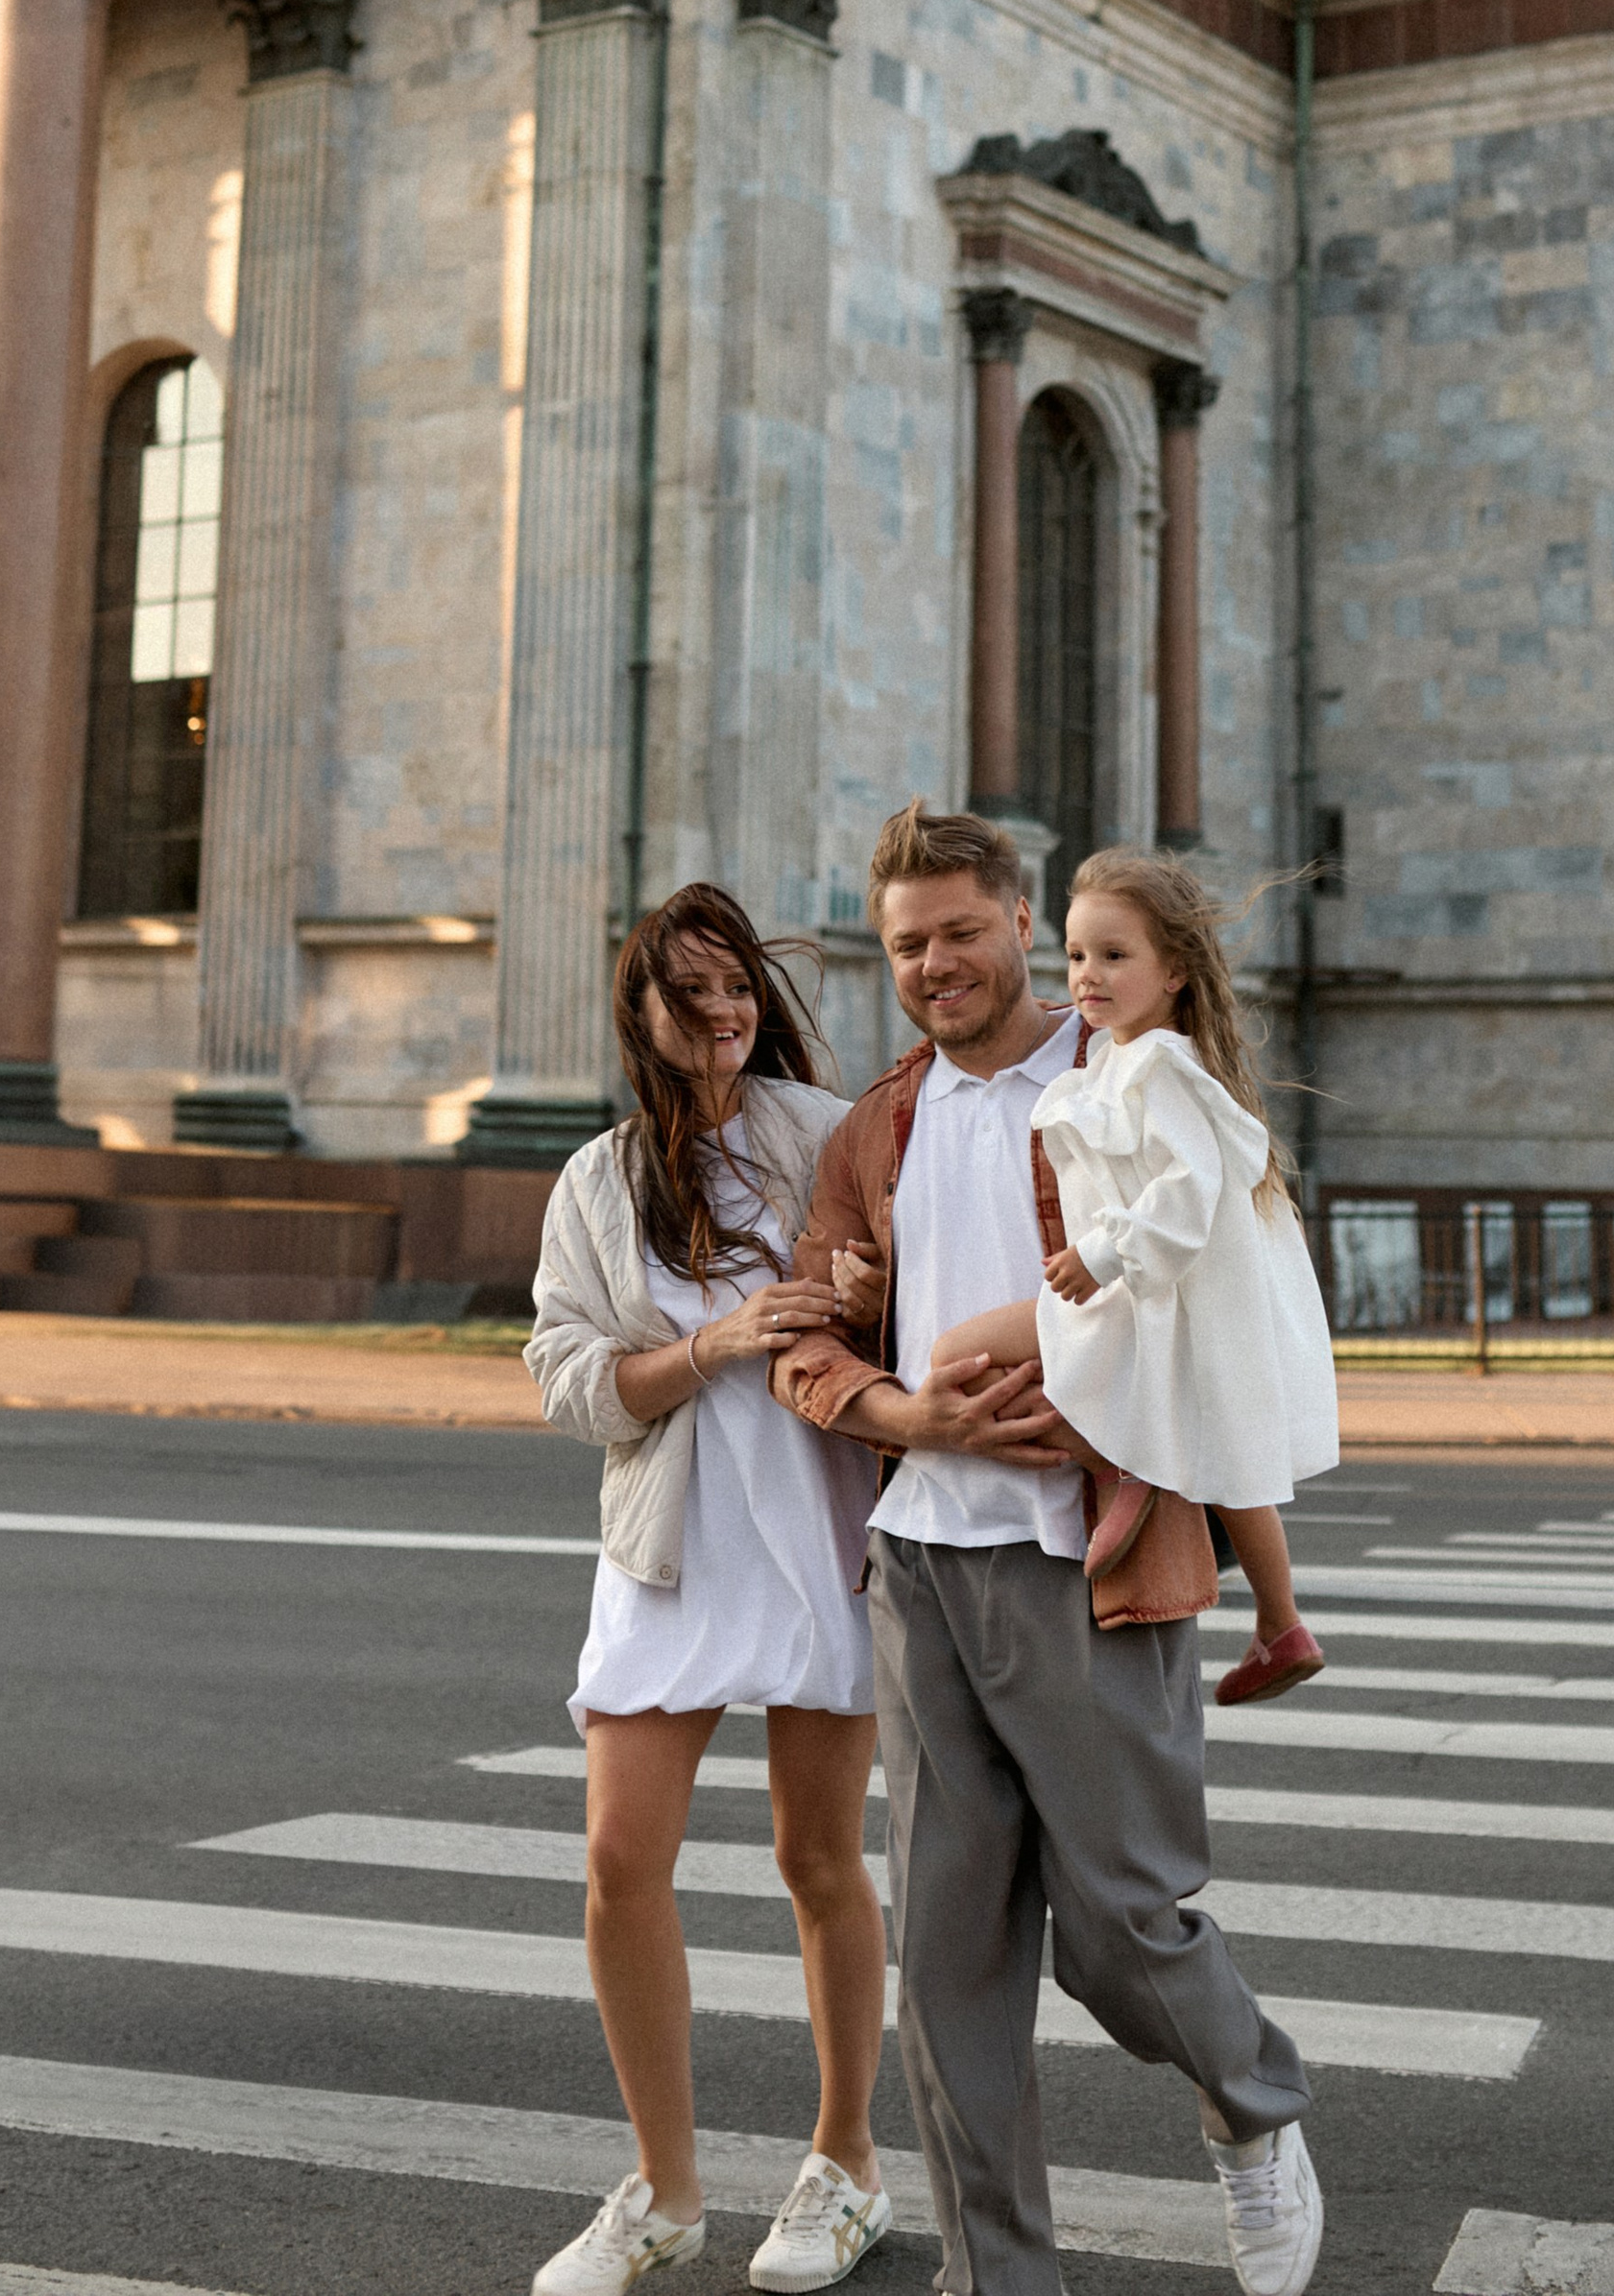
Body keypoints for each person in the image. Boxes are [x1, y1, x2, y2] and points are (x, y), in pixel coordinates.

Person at [774, 806, 1323, 2296]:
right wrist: (913, 1415)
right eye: (906, 945)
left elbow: (1227, 1284)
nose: (936, 965)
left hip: (1095, 1551)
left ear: (1021, 922)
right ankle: (998, 2276)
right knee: (949, 1963)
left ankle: (1256, 2109)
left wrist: (1084, 1393)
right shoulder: (874, 1125)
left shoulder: (1128, 1074)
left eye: (960, 931)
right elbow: (809, 1345)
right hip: (921, 1560)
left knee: (1122, 1927)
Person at [526, 885, 892, 2296]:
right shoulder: (602, 1179)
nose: (725, 1011)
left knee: (817, 1858)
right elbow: (567, 1379)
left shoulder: (829, 1130)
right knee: (623, 1861)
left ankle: (845, 2163)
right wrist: (717, 1344)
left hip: (816, 1526)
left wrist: (862, 1296)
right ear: (644, 1014)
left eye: (737, 984)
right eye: (691, 992)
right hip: (671, 1539)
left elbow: (909, 1285)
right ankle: (664, 2192)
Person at [916, 847, 1338, 1709]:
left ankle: (1125, 1466)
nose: (1087, 976)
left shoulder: (1157, 1066)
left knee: (959, 1349)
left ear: (1175, 970)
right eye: (1075, 956)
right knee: (1234, 1456)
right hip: (1151, 1299)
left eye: (1114, 956)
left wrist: (1101, 1254)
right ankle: (1278, 1619)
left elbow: (1188, 1189)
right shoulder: (1114, 1061)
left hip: (1142, 1296)